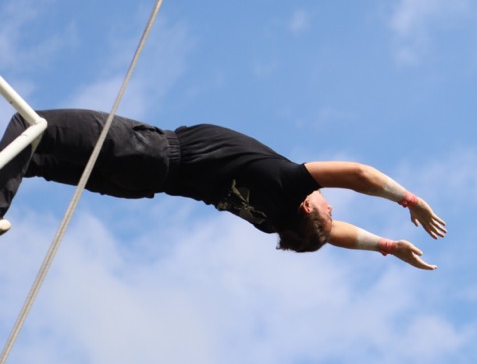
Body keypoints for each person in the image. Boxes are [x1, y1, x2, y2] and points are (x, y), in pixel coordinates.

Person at [0, 109, 446, 268]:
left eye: (329, 207)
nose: (332, 205)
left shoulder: (289, 183)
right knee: (31, 160)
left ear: (311, 206)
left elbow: (359, 175)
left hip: (149, 151)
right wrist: (386, 245)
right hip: (138, 183)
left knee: (29, 126)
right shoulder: (272, 219)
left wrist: (409, 199)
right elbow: (333, 235)